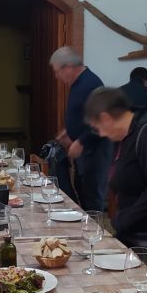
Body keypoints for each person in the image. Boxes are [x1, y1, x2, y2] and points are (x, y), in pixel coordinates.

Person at [84, 86, 147, 249]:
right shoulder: (125, 135)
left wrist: (126, 218)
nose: (100, 134)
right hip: (132, 232)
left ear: (106, 118)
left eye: (97, 128)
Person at [49, 46, 112, 211]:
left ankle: (95, 233)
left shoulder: (91, 83)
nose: (57, 76)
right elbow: (84, 115)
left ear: (68, 66)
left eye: (57, 71)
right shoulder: (78, 84)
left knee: (92, 197)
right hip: (85, 150)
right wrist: (68, 131)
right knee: (82, 191)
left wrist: (81, 141)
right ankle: (85, 229)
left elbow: (101, 121)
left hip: (94, 150)